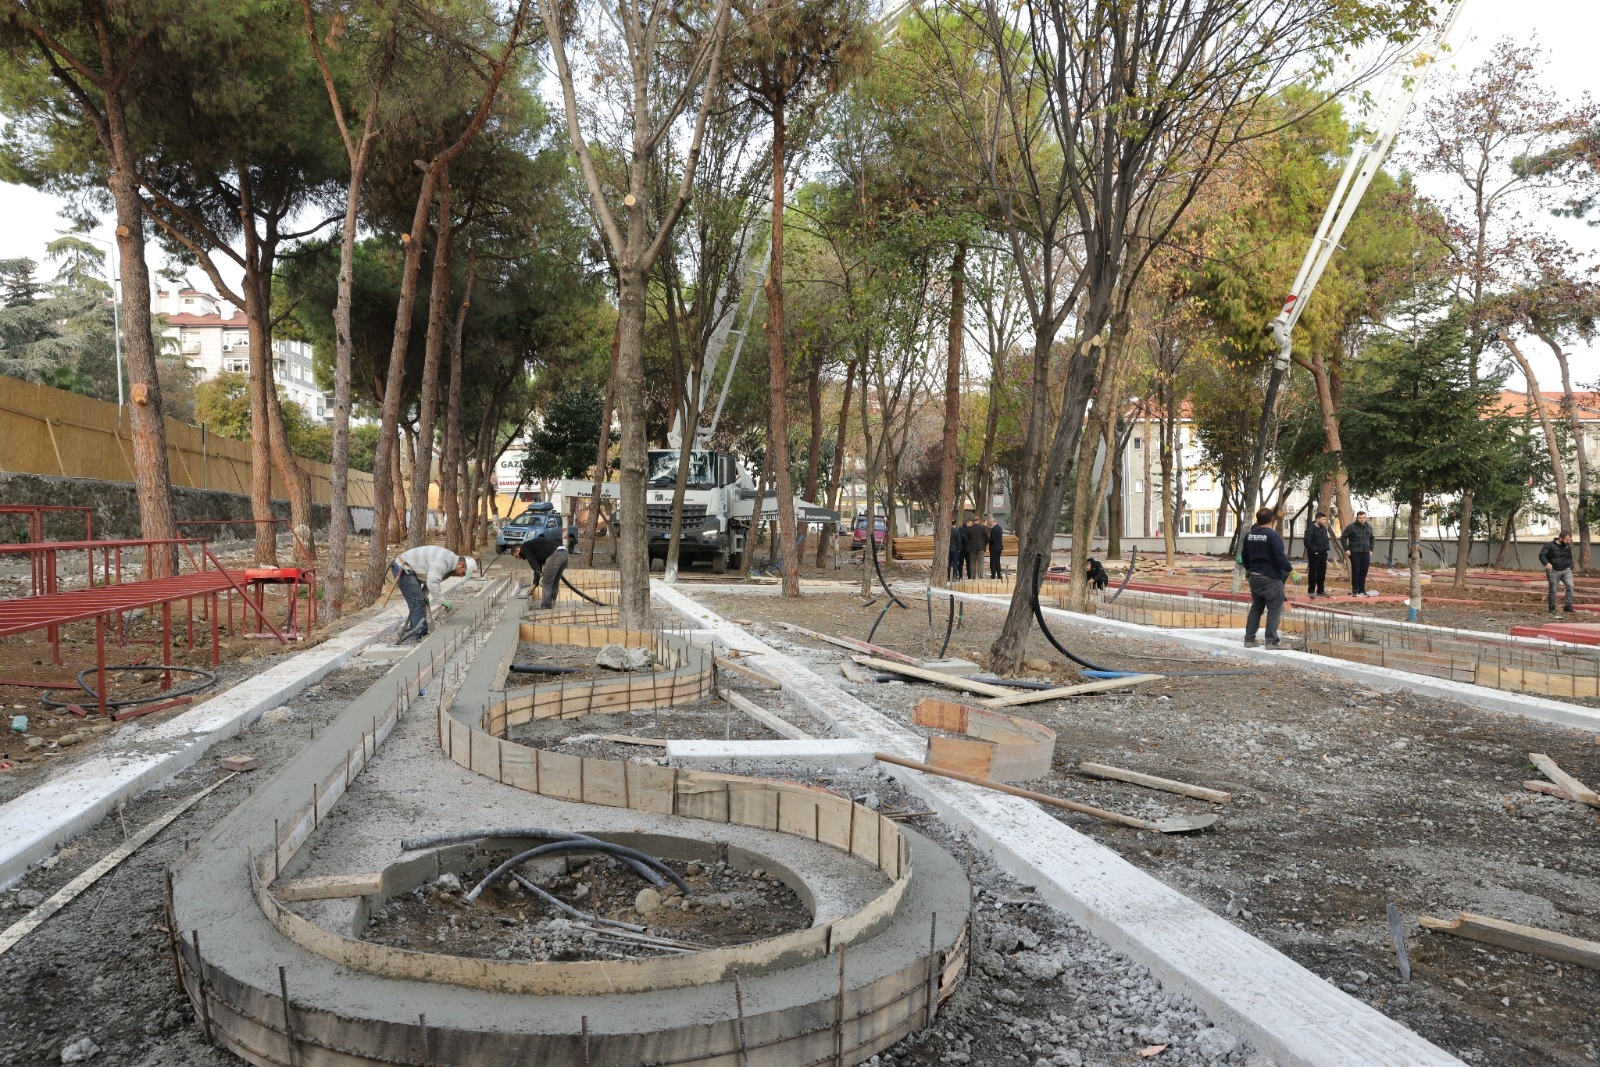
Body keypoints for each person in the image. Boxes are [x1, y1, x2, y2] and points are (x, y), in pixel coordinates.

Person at [389, 546, 477, 641]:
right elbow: (432, 583)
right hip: (403, 567)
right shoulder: (443, 562)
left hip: (411, 569)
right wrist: (443, 601)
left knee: (417, 601)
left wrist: (424, 594)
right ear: (460, 564)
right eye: (463, 573)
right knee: (417, 602)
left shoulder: (450, 567)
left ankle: (416, 630)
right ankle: (415, 636)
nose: (461, 576)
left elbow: (429, 580)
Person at [1241, 507, 1292, 649]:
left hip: (1255, 577)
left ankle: (1249, 640)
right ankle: (1271, 641)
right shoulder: (1273, 536)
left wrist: (1249, 569)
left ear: (1257, 520)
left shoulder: (1250, 536)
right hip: (1271, 578)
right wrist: (1290, 570)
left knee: (1256, 608)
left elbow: (1244, 555)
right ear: (1272, 519)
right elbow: (1280, 556)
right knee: (1275, 609)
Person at [1540, 529, 1576, 614]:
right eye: (1567, 540)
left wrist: (1570, 567)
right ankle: (1552, 607)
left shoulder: (1567, 546)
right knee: (1553, 590)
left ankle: (1568, 606)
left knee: (1570, 586)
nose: (1568, 542)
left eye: (1569, 540)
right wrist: (1546, 563)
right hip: (1554, 571)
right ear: (1560, 538)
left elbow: (1570, 558)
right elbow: (1542, 555)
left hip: (1566, 570)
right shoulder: (1549, 545)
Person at [1340, 510, 1375, 597]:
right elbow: (1343, 538)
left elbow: (1372, 538)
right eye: (1360, 518)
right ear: (1357, 518)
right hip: (1355, 552)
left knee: (1364, 572)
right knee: (1356, 571)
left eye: (1363, 518)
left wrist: (1371, 549)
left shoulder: (1369, 527)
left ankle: (1362, 589)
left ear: (1366, 518)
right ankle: (1355, 590)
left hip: (1365, 552)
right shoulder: (1351, 527)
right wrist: (1346, 549)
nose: (1362, 519)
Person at [1304, 512, 1331, 597]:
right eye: (1323, 519)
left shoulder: (1323, 528)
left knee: (1322, 572)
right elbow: (1307, 542)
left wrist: (1327, 548)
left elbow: (1326, 539)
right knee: (1313, 572)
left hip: (1323, 553)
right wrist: (1314, 551)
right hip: (1314, 554)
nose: (1324, 521)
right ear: (1317, 519)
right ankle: (1311, 590)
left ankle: (1320, 590)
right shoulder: (1310, 529)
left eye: (1325, 519)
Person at [538, 544, 571, 609]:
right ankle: (552, 603)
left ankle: (545, 605)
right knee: (555, 582)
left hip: (556, 555)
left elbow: (537, 568)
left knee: (547, 583)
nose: (518, 558)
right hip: (565, 554)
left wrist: (537, 581)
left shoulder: (528, 549)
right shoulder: (543, 547)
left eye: (517, 556)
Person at [962, 517, 987, 582]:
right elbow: (987, 537)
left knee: (972, 563)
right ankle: (980, 576)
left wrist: (969, 545)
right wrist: (984, 544)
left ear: (973, 521)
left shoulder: (969, 529)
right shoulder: (983, 528)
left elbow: (966, 539)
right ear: (979, 520)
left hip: (972, 548)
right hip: (981, 548)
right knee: (980, 563)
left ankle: (973, 576)